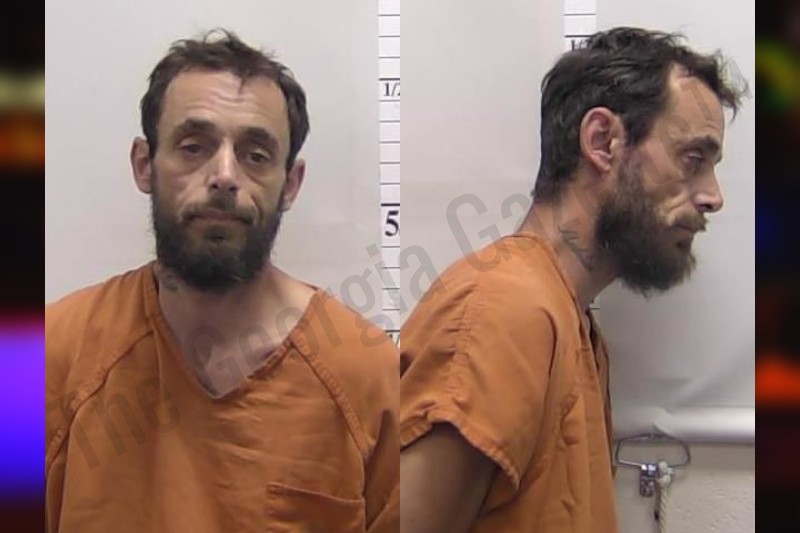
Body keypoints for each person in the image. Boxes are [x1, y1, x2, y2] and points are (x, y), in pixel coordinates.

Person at [46, 30, 398, 532]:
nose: (225, 175)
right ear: (144, 165)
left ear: (290, 184)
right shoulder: (41, 359)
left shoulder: (370, 377)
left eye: (256, 155)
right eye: (194, 147)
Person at [399, 27, 745, 532]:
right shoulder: (502, 311)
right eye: (693, 159)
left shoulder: (568, 319)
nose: (713, 196)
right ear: (603, 142)